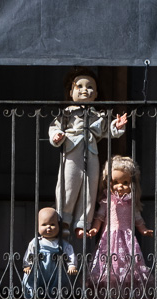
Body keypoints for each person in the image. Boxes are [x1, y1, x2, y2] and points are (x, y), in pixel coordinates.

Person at [49, 70, 127, 239]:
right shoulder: (67, 112)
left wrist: (117, 126)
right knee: (68, 185)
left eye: (90, 87)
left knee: (89, 188)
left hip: (91, 154)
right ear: (71, 92)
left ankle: (82, 224)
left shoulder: (97, 115)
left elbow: (108, 129)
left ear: (96, 93)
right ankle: (63, 220)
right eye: (80, 86)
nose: (85, 90)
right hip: (71, 152)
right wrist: (56, 136)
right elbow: (55, 127)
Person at [86, 154, 153, 297]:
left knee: (127, 267)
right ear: (108, 182)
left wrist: (144, 230)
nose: (120, 187)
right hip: (109, 239)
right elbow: (99, 217)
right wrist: (94, 229)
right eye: (115, 182)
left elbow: (138, 219)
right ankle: (109, 295)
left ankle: (125, 295)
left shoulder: (131, 203)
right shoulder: (107, 201)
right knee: (109, 267)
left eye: (125, 182)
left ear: (132, 184)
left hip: (127, 240)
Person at [22, 207, 77, 299]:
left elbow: (69, 253)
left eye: (52, 224)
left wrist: (71, 265)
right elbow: (29, 253)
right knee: (33, 283)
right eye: (44, 224)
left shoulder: (62, 243)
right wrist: (27, 265)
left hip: (55, 271)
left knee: (56, 286)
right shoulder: (35, 242)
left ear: (59, 225)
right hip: (39, 270)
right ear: (38, 226)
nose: (48, 227)